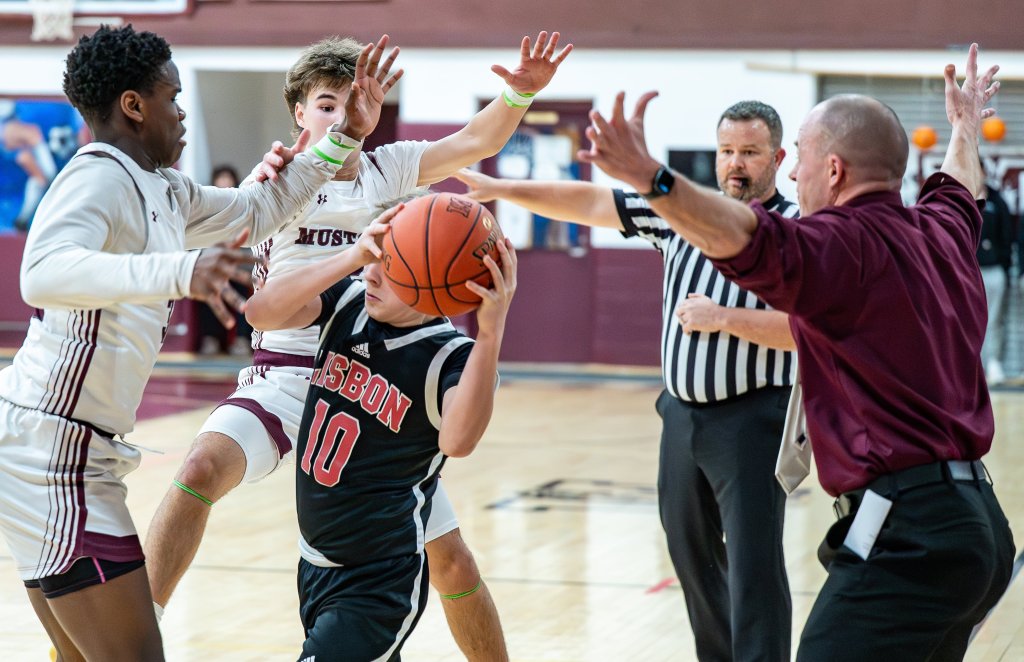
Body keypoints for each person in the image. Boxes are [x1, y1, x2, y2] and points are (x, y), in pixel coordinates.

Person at [143, 31, 571, 661]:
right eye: (326, 104)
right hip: (288, 368)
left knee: (451, 561)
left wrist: (519, 93)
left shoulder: (387, 168)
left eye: (355, 101)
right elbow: (236, 260)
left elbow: (476, 141)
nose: (343, 115)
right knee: (199, 468)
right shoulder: (278, 179)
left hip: (371, 371)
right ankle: (135, 632)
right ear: (299, 112)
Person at [580, 44, 1015, 660]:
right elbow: (961, 185)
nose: (791, 176)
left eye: (801, 159)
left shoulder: (836, 246)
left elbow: (738, 231)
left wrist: (653, 179)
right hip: (981, 529)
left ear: (833, 171)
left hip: (908, 536)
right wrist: (964, 127)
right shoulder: (940, 229)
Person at [0, 24, 364, 662]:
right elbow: (43, 273)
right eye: (171, 97)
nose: (182, 112)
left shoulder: (164, 188)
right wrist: (180, 271)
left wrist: (344, 138)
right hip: (53, 451)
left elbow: (256, 209)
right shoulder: (99, 176)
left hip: (65, 446)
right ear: (133, 106)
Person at [455, 99, 797, 662]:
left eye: (750, 153)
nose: (736, 163)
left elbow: (806, 333)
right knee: (690, 555)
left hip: (754, 418)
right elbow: (593, 202)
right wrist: (502, 189)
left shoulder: (797, 229)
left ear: (778, 159)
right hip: (681, 415)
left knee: (754, 563)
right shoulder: (682, 211)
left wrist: (722, 318)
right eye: (727, 151)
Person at [242, 206, 515, 661]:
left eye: (389, 267)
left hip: (378, 583)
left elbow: (458, 441)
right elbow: (260, 313)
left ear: (431, 282)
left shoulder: (452, 357)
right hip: (315, 566)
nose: (371, 274)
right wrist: (352, 256)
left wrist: (490, 334)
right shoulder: (348, 301)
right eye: (374, 259)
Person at [196, 164, 254, 355]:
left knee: (242, 299)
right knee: (208, 297)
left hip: (238, 267)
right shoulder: (205, 207)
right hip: (212, 268)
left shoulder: (244, 205)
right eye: (220, 178)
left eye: (227, 178)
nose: (224, 181)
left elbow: (249, 240)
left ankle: (242, 340)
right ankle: (211, 339)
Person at [977, 164, 1014, 384]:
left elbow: (1006, 235)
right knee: (968, 320)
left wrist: (1004, 264)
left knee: (994, 318)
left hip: (993, 270)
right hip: (968, 271)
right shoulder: (956, 200)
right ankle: (973, 366)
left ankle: (993, 362)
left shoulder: (996, 200)